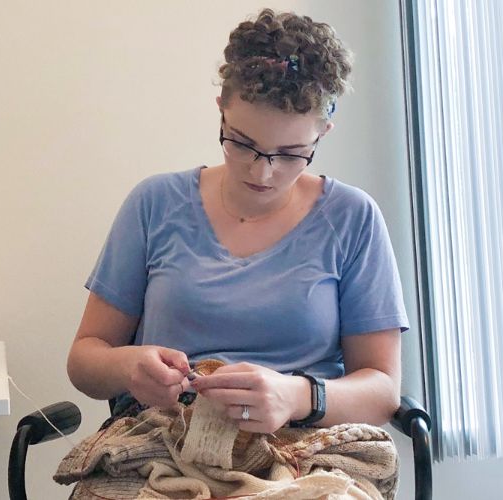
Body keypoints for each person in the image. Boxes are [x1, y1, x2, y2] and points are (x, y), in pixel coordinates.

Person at [67, 8, 408, 434]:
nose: (261, 173)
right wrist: (127, 366)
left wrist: (296, 396)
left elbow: (382, 393)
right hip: (163, 438)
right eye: (242, 144)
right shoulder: (154, 204)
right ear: (221, 109)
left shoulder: (353, 218)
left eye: (289, 154)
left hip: (308, 447)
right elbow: (84, 361)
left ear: (322, 131)